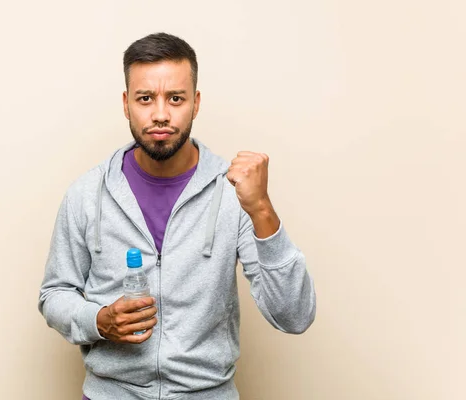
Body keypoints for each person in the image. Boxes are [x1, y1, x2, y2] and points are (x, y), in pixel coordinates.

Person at [38, 32, 316, 400]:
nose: (160, 114)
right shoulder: (87, 194)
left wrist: (262, 209)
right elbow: (55, 293)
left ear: (196, 103)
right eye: (145, 98)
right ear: (126, 104)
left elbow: (294, 316)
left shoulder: (235, 195)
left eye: (175, 98)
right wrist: (99, 320)